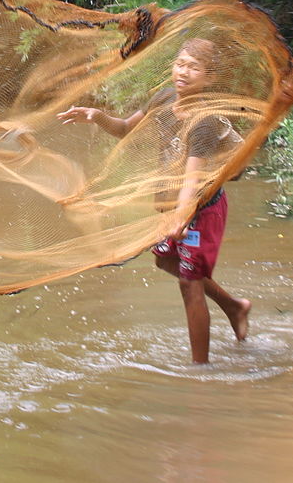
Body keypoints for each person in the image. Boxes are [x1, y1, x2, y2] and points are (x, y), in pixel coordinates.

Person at [56, 38, 251, 364]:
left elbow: (192, 176)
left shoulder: (203, 120)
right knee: (164, 261)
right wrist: (96, 116)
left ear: (209, 77)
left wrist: (183, 216)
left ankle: (200, 372)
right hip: (173, 206)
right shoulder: (164, 98)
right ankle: (234, 306)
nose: (184, 72)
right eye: (180, 63)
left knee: (190, 286)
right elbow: (125, 129)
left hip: (201, 209)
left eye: (194, 67)